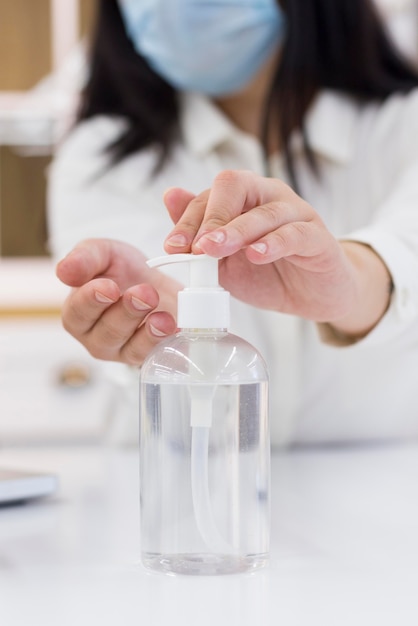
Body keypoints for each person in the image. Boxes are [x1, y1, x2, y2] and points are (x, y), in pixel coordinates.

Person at [48, 0, 418, 447]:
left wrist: (350, 282)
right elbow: (191, 426)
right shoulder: (100, 160)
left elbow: (407, 244)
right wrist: (162, 344)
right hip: (176, 498)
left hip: (382, 500)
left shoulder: (402, 127)